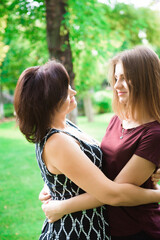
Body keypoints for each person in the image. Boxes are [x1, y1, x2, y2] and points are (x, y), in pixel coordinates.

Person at [14, 56, 160, 240]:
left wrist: (52, 185)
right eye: (65, 90)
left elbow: (97, 159)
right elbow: (111, 193)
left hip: (96, 225)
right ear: (49, 99)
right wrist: (157, 194)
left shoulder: (66, 126)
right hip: (76, 230)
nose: (73, 91)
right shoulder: (57, 140)